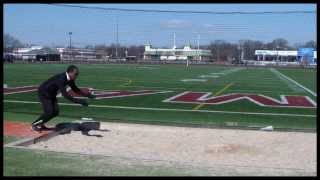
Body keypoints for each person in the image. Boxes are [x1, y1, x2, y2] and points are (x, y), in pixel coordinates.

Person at [31, 65, 96, 132]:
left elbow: (75, 89)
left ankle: (41, 124)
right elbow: (65, 95)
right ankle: (34, 125)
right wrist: (79, 101)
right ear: (70, 73)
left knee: (55, 112)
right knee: (49, 112)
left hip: (52, 94)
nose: (77, 76)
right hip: (44, 93)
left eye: (77, 74)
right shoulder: (62, 78)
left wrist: (88, 95)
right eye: (76, 74)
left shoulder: (70, 79)